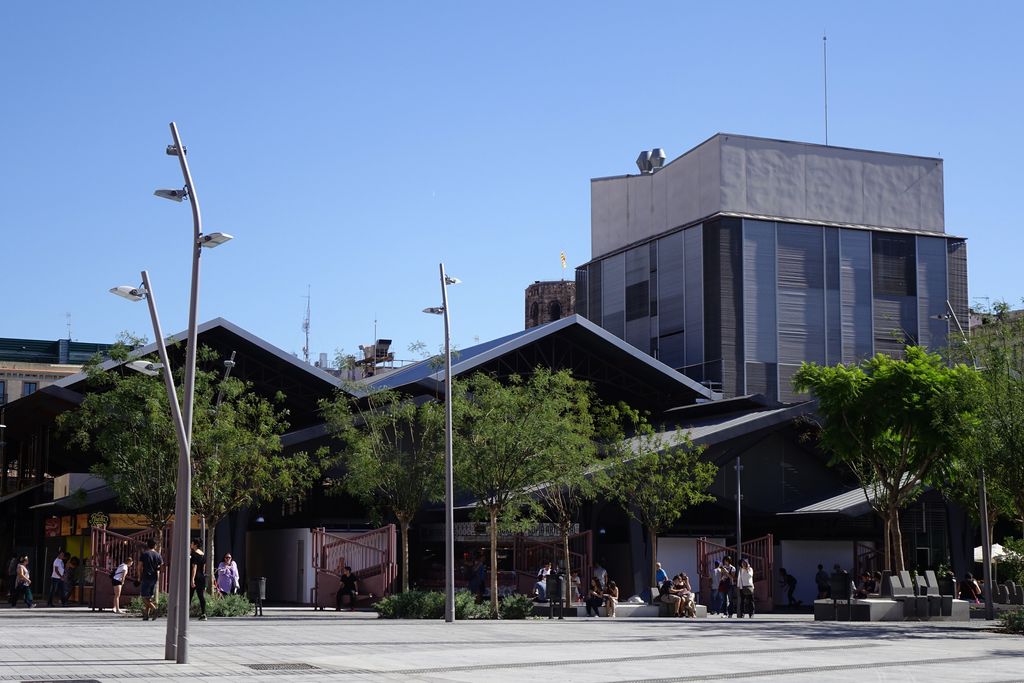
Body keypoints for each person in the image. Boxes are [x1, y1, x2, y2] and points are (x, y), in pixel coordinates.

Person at [139, 538, 163, 621]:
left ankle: (155, 609)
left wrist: (139, 577)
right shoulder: (158, 555)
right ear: (155, 546)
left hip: (146, 577)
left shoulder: (144, 554)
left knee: (143, 597)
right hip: (154, 577)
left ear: (147, 545)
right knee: (149, 597)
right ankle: (146, 615)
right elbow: (161, 566)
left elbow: (140, 567)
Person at [190, 538, 208, 620]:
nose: (191, 544)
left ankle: (185, 613)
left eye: (192, 543)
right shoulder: (203, 554)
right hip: (201, 576)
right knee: (201, 596)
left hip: (195, 576)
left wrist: (192, 579)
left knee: (189, 595)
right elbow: (204, 567)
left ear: (195, 544)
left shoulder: (194, 554)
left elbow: (194, 567)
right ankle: (203, 613)